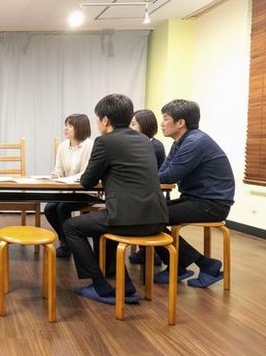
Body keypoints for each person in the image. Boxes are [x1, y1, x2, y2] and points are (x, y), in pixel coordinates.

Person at [63, 94, 168, 305]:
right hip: (158, 218)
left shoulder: (105, 142)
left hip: (128, 219)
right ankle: (125, 285)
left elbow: (87, 181)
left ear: (104, 120)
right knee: (100, 225)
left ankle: (100, 286)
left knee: (71, 226)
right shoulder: (144, 141)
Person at [154, 99, 235, 288]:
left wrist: (138, 177)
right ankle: (195, 265)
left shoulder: (194, 142)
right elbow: (163, 172)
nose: (162, 123)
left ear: (180, 123)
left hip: (212, 205)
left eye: (165, 119)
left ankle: (200, 265)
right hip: (196, 199)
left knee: (147, 216)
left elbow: (168, 176)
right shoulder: (180, 142)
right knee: (146, 213)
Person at [43, 114, 101, 258]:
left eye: (69, 125)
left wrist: (68, 178)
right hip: (67, 190)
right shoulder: (63, 146)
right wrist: (56, 174)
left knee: (62, 207)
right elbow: (59, 169)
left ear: (80, 127)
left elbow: (86, 172)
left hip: (87, 191)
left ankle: (67, 244)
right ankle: (66, 241)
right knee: (49, 208)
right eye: (66, 125)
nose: (65, 128)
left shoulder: (91, 145)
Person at [128, 108, 166, 265]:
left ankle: (151, 252)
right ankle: (144, 251)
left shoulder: (155, 146)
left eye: (133, 124)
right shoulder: (136, 144)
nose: (129, 127)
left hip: (151, 195)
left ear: (145, 125)